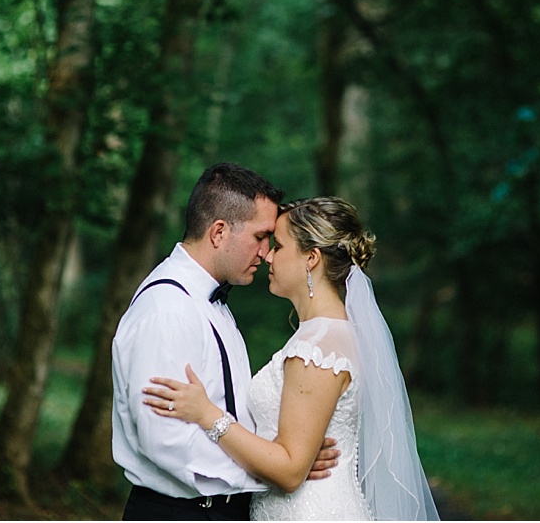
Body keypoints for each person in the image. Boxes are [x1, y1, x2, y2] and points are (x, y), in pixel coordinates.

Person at [143, 196, 440, 520]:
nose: (268, 255)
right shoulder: (330, 335)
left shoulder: (316, 350)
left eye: (279, 246)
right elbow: (292, 450)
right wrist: (286, 451)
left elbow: (288, 471)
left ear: (311, 258)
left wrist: (207, 414)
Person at [111, 164, 340, 521]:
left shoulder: (211, 304)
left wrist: (288, 455)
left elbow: (233, 414)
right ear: (219, 232)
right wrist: (277, 472)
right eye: (261, 236)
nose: (266, 253)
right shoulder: (168, 310)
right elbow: (164, 441)